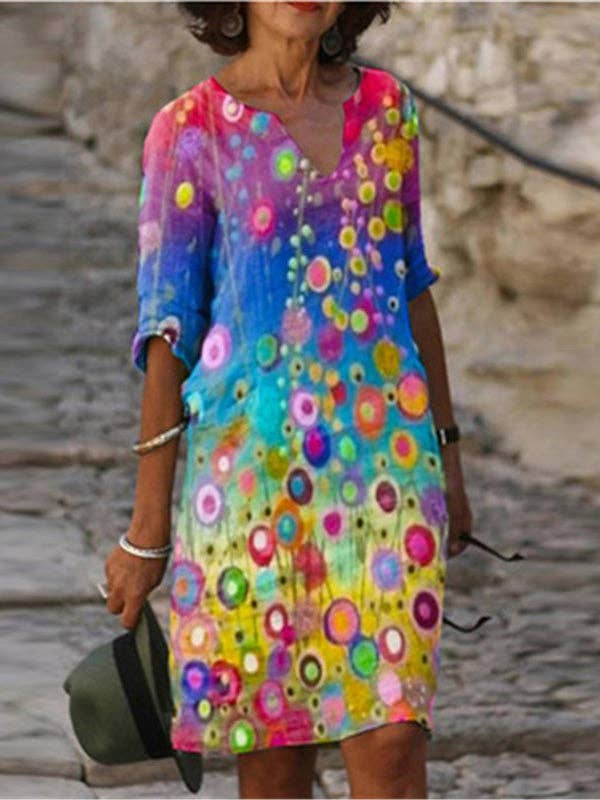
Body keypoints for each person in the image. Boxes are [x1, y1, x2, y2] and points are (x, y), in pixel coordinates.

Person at [104, 2, 472, 797]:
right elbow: (168, 332)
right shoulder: (190, 130)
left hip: (387, 477)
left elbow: (412, 285)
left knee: (394, 741)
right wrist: (146, 531)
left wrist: (449, 458)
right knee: (273, 763)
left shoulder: (389, 112)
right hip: (247, 494)